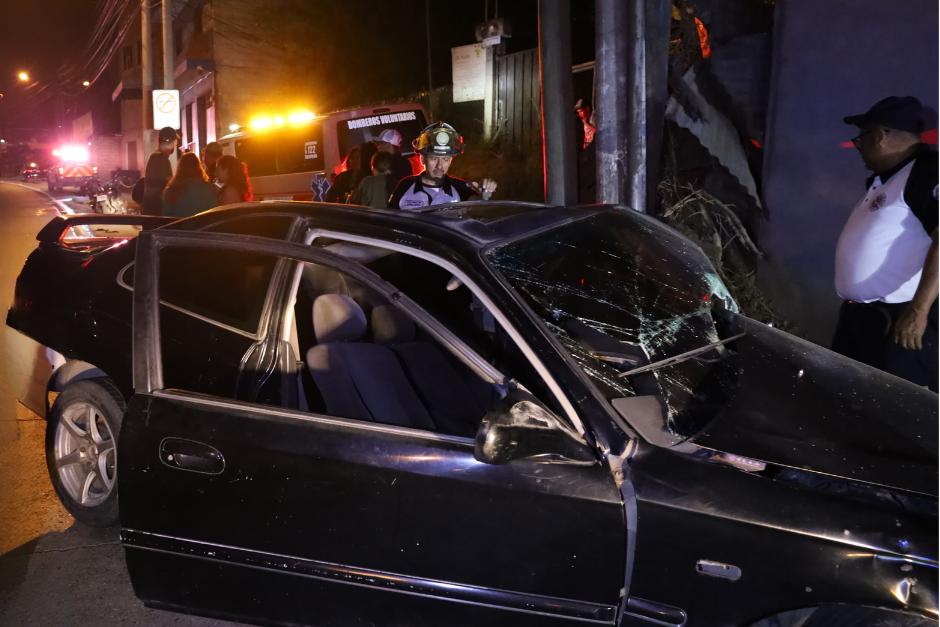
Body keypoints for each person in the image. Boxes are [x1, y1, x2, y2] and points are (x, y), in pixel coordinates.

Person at [832, 95, 938, 391]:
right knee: (845, 403)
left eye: (861, 138)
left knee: (893, 414)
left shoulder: (926, 171)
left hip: (900, 324)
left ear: (880, 135)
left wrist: (919, 310)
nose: (858, 146)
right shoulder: (885, 180)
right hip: (862, 321)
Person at [389, 122, 497, 211]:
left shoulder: (460, 187)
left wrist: (485, 192)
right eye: (434, 158)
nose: (439, 165)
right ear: (422, 159)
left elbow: (479, 207)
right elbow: (390, 219)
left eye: (445, 159)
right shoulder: (406, 186)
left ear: (450, 160)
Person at [161, 152, 219, 217]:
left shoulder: (171, 190)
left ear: (180, 168)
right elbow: (214, 214)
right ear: (198, 167)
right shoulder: (208, 188)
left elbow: (166, 216)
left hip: (179, 226)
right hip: (202, 226)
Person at [141, 126, 179, 215]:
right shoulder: (160, 159)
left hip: (151, 207)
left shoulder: (155, 157)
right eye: (174, 142)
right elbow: (168, 183)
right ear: (169, 142)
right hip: (157, 209)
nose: (175, 145)